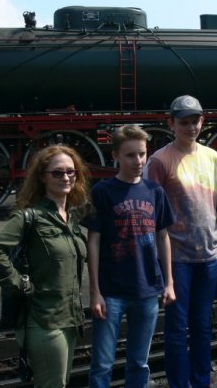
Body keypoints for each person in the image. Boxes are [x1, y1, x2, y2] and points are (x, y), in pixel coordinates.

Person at [0, 145, 90, 388]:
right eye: (57, 173)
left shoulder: (71, 219)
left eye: (71, 172)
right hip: (45, 321)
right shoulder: (30, 217)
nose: (66, 177)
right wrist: (20, 284)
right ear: (42, 177)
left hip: (70, 320)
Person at [144, 94, 217, 388]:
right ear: (171, 123)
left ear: (202, 122)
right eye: (184, 122)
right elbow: (150, 212)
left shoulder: (212, 157)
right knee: (177, 329)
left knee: (203, 326)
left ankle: (201, 382)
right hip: (176, 257)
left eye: (195, 121)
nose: (191, 127)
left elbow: (214, 204)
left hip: (209, 254)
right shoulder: (159, 161)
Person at [86, 125, 176, 388]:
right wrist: (95, 291)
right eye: (130, 155)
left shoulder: (155, 191)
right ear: (115, 155)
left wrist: (169, 282)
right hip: (111, 290)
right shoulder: (102, 191)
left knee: (139, 362)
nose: (138, 161)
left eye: (142, 154)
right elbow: (93, 241)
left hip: (147, 288)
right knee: (102, 364)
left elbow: (163, 237)